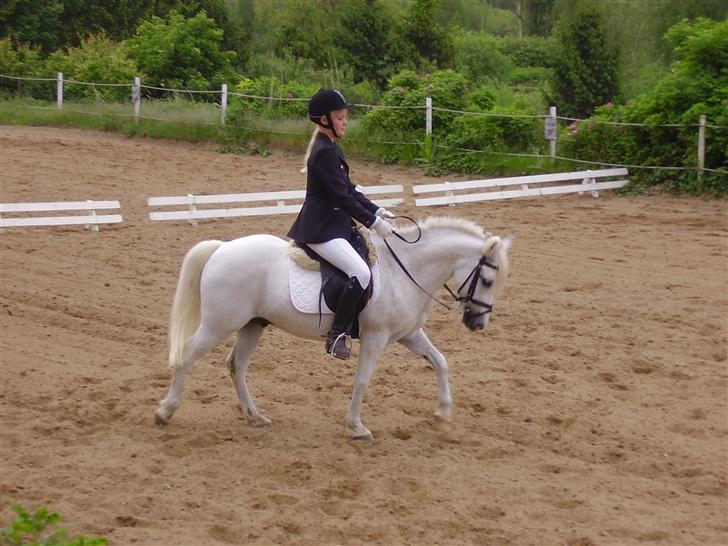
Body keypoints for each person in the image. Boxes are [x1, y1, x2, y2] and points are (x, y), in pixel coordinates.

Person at [288, 89, 396, 360]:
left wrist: (377, 210)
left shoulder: (332, 147)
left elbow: (349, 189)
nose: (345, 121)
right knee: (360, 273)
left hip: (334, 224)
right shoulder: (323, 153)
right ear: (325, 120)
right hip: (320, 229)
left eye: (345, 117)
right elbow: (341, 197)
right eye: (340, 117)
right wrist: (373, 223)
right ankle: (337, 333)